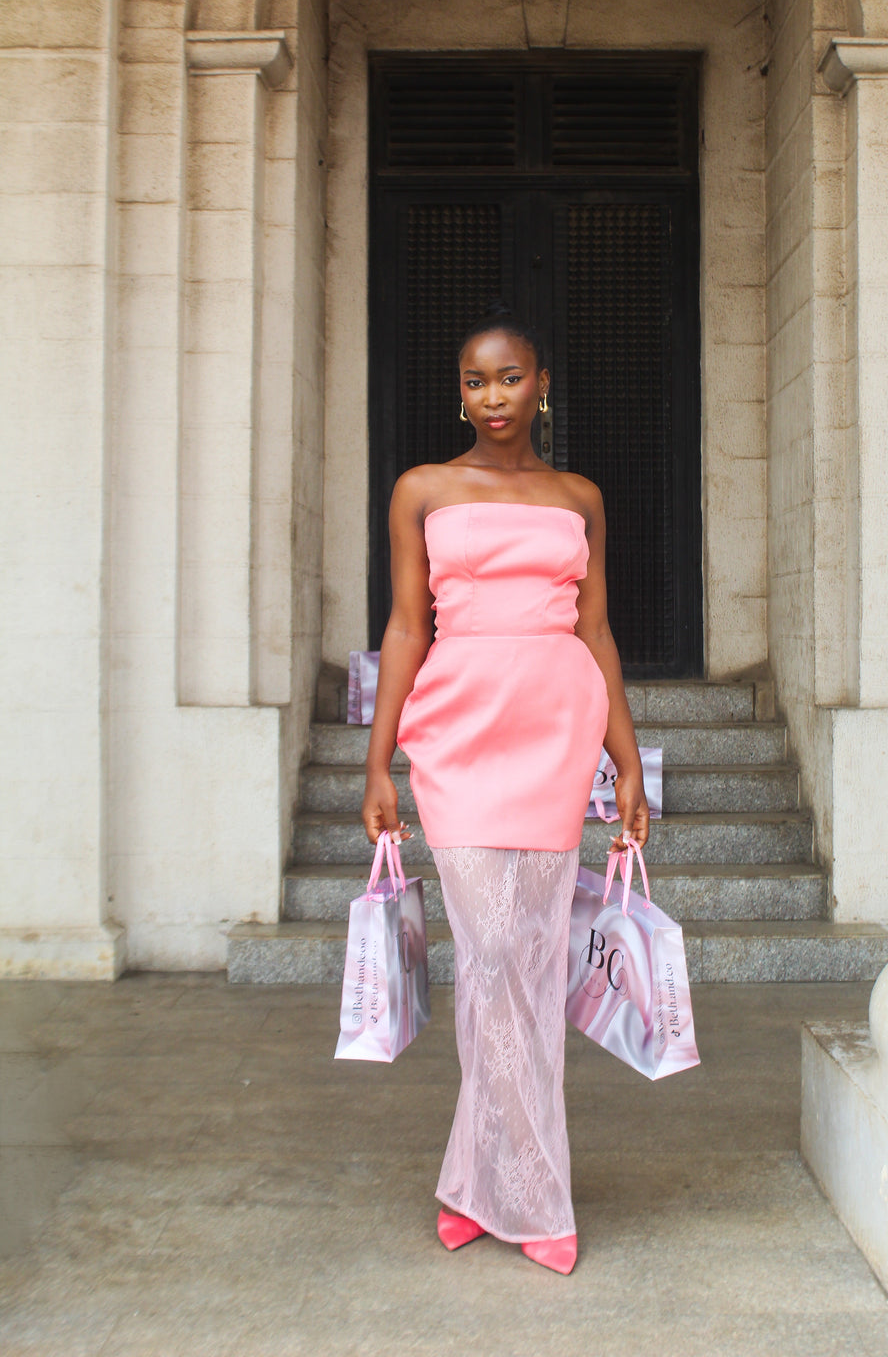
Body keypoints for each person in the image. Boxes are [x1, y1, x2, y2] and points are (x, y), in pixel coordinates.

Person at [361, 303, 650, 1275]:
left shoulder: (579, 497)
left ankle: (476, 1183)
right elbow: (407, 627)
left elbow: (596, 632)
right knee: (489, 960)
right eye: (477, 381)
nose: (494, 395)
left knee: (525, 965)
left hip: (555, 730)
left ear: (542, 386)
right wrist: (379, 760)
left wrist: (626, 759)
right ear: (460, 394)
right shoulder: (422, 490)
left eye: (511, 377)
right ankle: (528, 1197)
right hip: (458, 734)